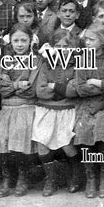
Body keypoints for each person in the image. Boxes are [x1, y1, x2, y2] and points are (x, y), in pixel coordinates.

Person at [74, 26, 104, 198]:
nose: (87, 43)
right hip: (86, 107)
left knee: (103, 140)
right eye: (86, 39)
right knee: (85, 139)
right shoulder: (82, 59)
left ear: (102, 41)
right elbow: (80, 88)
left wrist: (95, 82)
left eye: (92, 39)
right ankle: (91, 178)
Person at [0, 23, 40, 197]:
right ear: (10, 42)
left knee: (19, 138)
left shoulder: (35, 61)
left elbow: (32, 89)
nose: (19, 44)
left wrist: (10, 85)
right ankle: (6, 178)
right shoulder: (6, 61)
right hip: (7, 108)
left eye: (23, 40)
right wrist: (18, 84)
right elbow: (1, 88)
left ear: (30, 41)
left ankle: (22, 177)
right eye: (16, 40)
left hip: (27, 108)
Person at [33, 30, 81, 196]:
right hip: (46, 109)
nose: (62, 50)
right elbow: (40, 90)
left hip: (66, 109)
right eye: (58, 46)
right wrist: (62, 91)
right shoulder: (46, 65)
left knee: (67, 146)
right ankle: (50, 179)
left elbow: (74, 90)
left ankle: (76, 176)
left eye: (65, 46)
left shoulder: (76, 65)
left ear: (72, 48)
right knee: (42, 145)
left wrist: (53, 87)